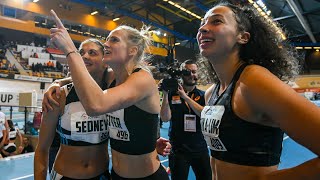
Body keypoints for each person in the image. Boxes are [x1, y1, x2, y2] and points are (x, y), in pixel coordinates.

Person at [197, 2, 320, 180]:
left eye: (216, 21)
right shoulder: (211, 93)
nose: (203, 29)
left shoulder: (253, 81)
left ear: (243, 37)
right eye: (202, 23)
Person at [49, 10, 169, 179]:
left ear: (132, 50)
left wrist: (70, 50)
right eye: (107, 39)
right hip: (115, 175)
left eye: (114, 40)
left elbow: (96, 106)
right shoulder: (114, 77)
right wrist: (58, 82)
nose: (106, 44)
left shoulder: (142, 78)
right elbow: (92, 74)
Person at [34, 38, 111, 180]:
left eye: (92, 53)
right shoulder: (58, 96)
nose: (85, 56)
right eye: (81, 53)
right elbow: (42, 149)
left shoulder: (113, 94)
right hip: (65, 175)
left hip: (102, 175)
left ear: (105, 61)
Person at [160, 59, 211, 180]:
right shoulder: (172, 94)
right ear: (181, 74)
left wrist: (185, 97)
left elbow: (204, 114)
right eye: (188, 72)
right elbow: (165, 118)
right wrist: (166, 94)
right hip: (178, 149)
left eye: (194, 72)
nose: (192, 75)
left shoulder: (203, 95)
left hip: (199, 147)